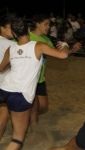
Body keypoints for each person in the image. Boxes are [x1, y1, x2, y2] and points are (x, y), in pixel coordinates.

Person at [0, 17, 75, 150]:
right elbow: (63, 55)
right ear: (28, 30)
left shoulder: (10, 49)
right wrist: (66, 46)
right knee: (17, 139)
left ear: (14, 34)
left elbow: (1, 68)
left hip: (4, 89)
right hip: (20, 94)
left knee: (4, 115)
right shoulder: (38, 46)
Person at [29, 14, 81, 127]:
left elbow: (58, 54)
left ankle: (26, 115)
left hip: (40, 78)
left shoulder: (46, 40)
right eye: (46, 24)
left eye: (49, 24)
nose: (48, 27)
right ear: (37, 24)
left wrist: (72, 50)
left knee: (43, 107)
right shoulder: (26, 37)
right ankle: (33, 129)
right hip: (28, 79)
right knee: (34, 106)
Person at [0, 15, 15, 140]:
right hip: (4, 85)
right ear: (2, 28)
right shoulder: (12, 45)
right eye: (10, 28)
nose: (13, 30)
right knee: (4, 114)